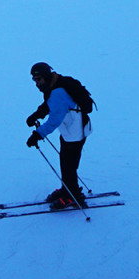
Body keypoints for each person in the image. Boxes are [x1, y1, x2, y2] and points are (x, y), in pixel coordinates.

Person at [25, 62, 93, 209]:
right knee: (66, 163)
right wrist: (36, 115)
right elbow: (49, 105)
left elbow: (54, 120)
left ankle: (73, 196)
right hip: (70, 130)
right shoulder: (53, 86)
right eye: (34, 80)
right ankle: (67, 189)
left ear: (46, 76)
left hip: (75, 132)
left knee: (69, 165)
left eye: (38, 79)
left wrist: (37, 135)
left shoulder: (58, 92)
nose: (36, 83)